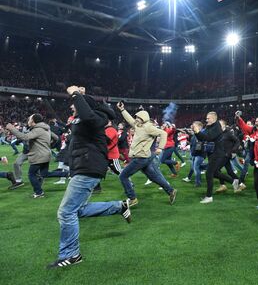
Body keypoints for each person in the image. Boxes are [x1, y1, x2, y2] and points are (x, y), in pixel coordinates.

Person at [48, 86, 131, 269]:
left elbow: (87, 114)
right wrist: (82, 96)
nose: (71, 107)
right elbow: (81, 116)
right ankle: (119, 206)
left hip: (88, 168)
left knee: (66, 212)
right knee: (77, 210)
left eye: (74, 104)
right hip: (83, 167)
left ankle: (71, 254)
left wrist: (77, 94)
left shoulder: (97, 118)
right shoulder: (85, 118)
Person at [117, 102, 177, 206]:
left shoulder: (148, 127)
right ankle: (171, 191)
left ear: (143, 118)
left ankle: (132, 198)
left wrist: (160, 148)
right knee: (154, 177)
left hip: (140, 158)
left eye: (138, 117)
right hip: (144, 157)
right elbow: (129, 119)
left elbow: (163, 133)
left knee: (123, 176)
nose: (135, 119)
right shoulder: (138, 125)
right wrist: (122, 110)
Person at [6, 114, 64, 198]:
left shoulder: (38, 129)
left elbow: (25, 137)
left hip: (38, 154)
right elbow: (56, 138)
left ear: (33, 121)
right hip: (42, 153)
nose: (28, 120)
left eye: (29, 119)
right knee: (45, 173)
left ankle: (39, 192)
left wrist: (11, 128)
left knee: (31, 174)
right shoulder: (45, 128)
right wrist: (49, 146)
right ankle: (69, 173)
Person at [193, 111, 239, 204]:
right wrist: (196, 132)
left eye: (208, 118)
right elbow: (202, 138)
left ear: (214, 118)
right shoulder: (210, 126)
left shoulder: (217, 127)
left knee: (209, 174)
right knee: (215, 173)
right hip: (212, 153)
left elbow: (208, 138)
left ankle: (209, 197)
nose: (206, 120)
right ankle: (233, 181)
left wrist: (198, 131)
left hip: (217, 154)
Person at [183, 122, 208, 186]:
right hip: (195, 154)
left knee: (196, 168)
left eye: (194, 126)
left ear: (199, 127)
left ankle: (198, 183)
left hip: (199, 154)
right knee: (194, 167)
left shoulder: (200, 134)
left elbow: (199, 146)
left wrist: (193, 154)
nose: (193, 126)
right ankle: (189, 178)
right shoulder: (196, 133)